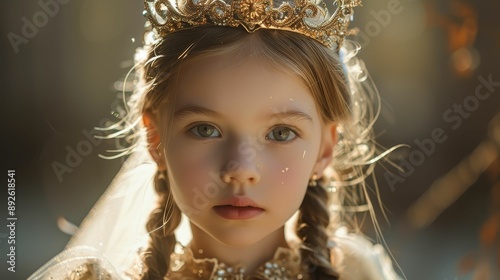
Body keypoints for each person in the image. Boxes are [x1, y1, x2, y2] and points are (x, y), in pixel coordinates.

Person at [30, 0, 403, 279]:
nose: (240, 169)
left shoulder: (358, 273)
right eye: (205, 129)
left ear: (325, 148)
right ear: (155, 138)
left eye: (281, 133)